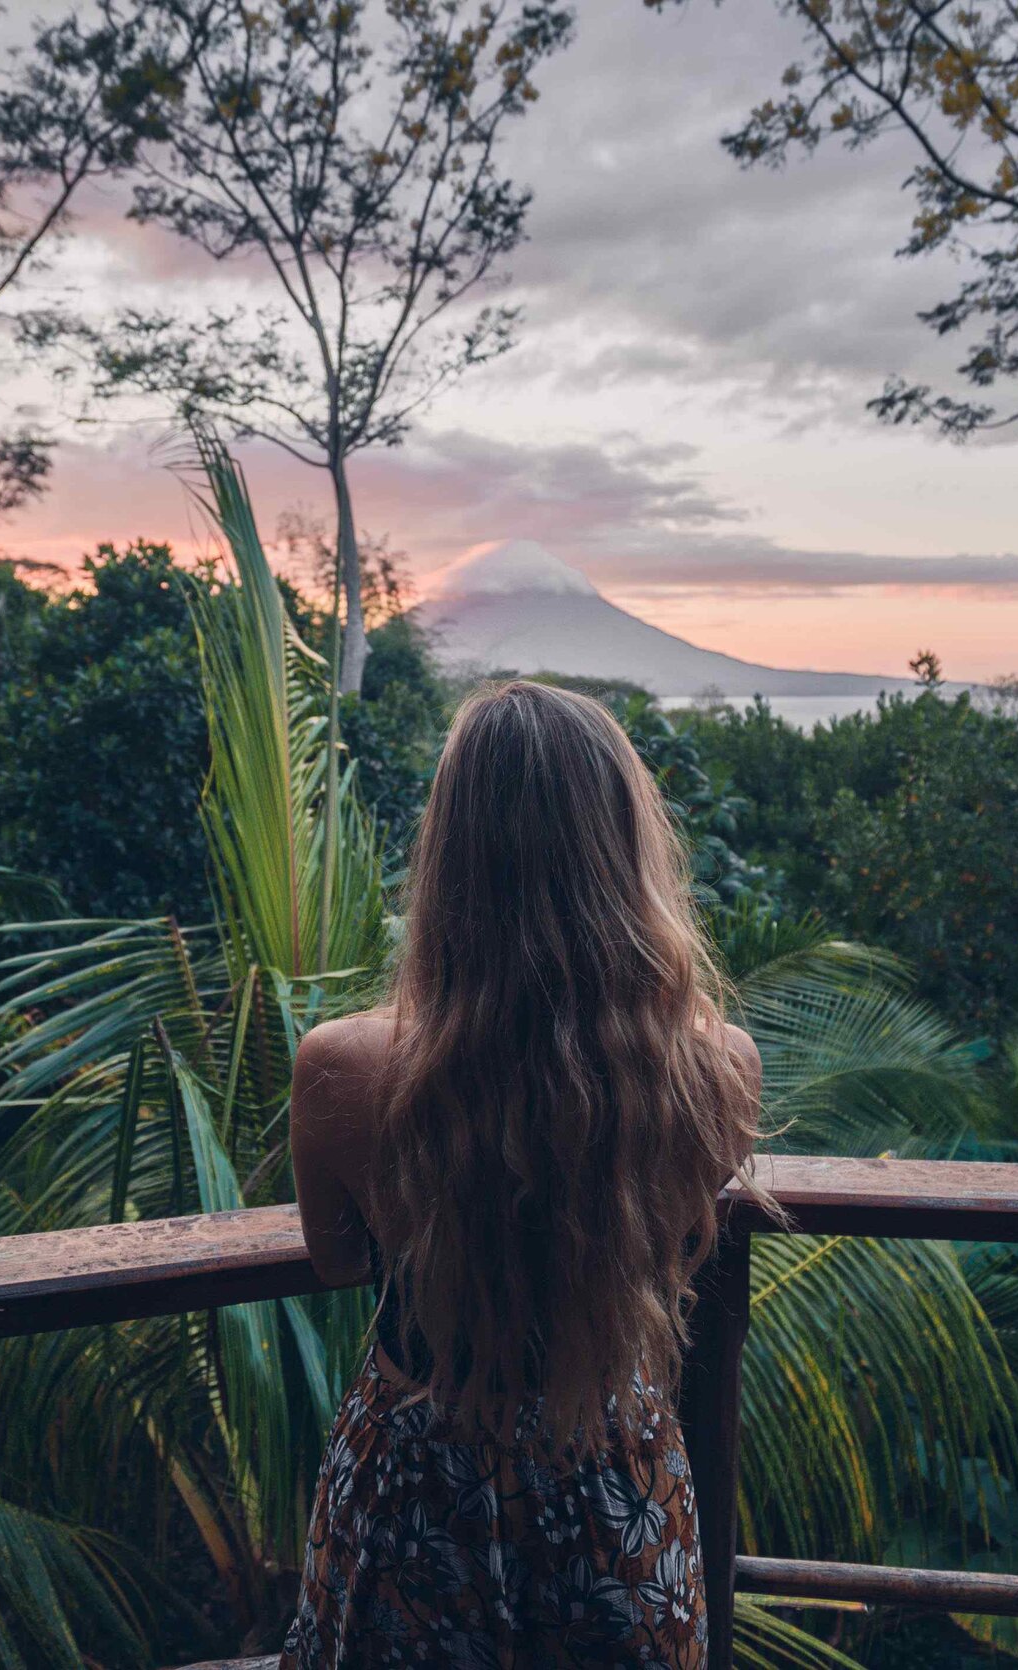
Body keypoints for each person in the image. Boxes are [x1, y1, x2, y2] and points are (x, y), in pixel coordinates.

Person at [283, 679, 768, 1670]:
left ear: (450, 853)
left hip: (416, 1480)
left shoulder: (343, 1065)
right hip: (614, 1467)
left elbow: (336, 1262)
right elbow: (674, 1241)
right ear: (627, 848)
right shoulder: (712, 1068)